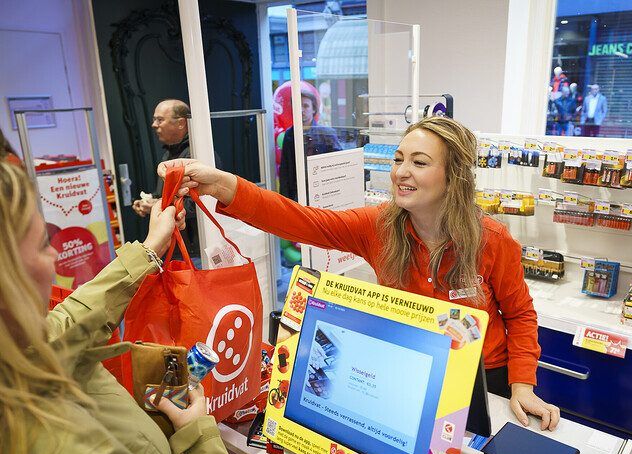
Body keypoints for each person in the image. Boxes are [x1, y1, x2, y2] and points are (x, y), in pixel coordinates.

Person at [161, 116, 561, 431]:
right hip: (407, 371)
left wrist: (521, 384)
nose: (401, 171)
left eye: (419, 163)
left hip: (480, 381)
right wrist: (223, 184)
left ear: (453, 176)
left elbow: (520, 315)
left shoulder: (491, 239)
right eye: (398, 159)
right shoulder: (379, 226)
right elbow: (303, 222)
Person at [0, 162, 232, 454]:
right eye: (41, 244)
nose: (54, 253)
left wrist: (151, 249)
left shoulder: (20, 349)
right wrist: (199, 443)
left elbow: (67, 322)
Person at [133, 99, 201, 259]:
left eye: (160, 120)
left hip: (193, 251)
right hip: (175, 248)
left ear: (181, 123)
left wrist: (157, 206)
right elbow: (167, 196)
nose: (154, 125)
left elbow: (199, 203)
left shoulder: (196, 155)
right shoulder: (169, 154)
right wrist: (150, 203)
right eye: (154, 119)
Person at [279, 89, 342, 202]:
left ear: (313, 109)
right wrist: (285, 202)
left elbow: (339, 165)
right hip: (297, 193)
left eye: (306, 106)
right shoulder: (290, 134)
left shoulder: (326, 133)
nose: (301, 110)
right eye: (298, 106)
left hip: (324, 193)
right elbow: (285, 170)